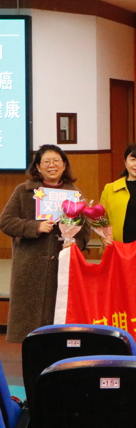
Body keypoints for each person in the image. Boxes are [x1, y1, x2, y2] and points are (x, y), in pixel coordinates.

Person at [0, 145, 89, 343]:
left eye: (56, 161)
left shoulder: (73, 194)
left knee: (58, 328)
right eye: (46, 162)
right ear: (38, 167)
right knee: (29, 332)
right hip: (29, 268)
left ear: (64, 165)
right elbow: (5, 222)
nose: (52, 165)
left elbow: (85, 231)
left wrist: (74, 242)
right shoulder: (23, 191)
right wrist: (35, 226)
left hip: (62, 266)